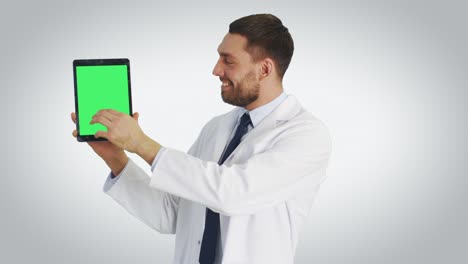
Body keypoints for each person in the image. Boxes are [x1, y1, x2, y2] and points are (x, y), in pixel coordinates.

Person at [71, 14, 331, 264]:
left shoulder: (305, 135)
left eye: (228, 60)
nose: (216, 70)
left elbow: (233, 194)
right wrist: (116, 158)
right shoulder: (218, 128)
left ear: (264, 69)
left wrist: (141, 143)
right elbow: (171, 214)